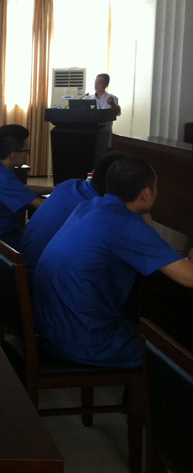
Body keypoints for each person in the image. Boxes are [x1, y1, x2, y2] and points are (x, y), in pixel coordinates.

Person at [33, 157, 193, 368]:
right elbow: (189, 278)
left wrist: (143, 210)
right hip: (85, 340)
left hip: (52, 328)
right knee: (178, 350)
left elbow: (149, 242)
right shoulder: (125, 224)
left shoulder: (87, 207)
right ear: (146, 193)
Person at [20, 152, 124, 283]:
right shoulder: (98, 209)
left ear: (93, 172)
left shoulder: (68, 185)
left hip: (24, 267)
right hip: (41, 280)